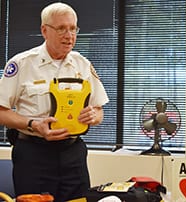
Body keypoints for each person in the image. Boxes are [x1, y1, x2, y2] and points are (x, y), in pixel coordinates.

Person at [0, 2, 109, 202]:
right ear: (44, 30)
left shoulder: (82, 64)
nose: (69, 35)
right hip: (33, 154)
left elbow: (99, 109)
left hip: (73, 154)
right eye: (61, 29)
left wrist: (94, 115)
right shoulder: (22, 64)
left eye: (73, 28)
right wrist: (32, 124)